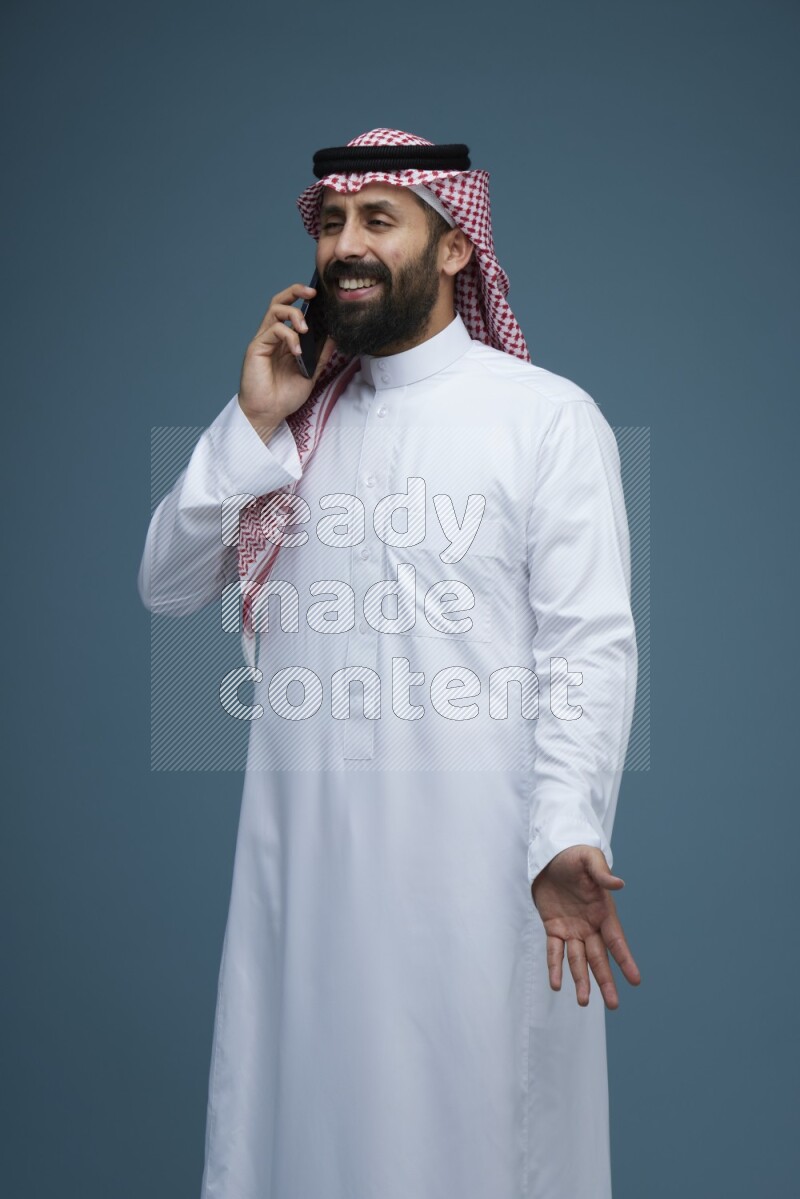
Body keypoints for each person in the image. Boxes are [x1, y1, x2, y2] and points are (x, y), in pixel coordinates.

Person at [138, 128, 641, 1199]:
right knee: (306, 1137)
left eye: (378, 220)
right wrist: (249, 419)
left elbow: (586, 645)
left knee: (477, 1142)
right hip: (306, 877)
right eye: (330, 223)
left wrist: (566, 827)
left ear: (456, 247)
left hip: (477, 878)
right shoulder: (293, 423)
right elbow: (166, 582)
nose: (345, 246)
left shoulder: (542, 418)